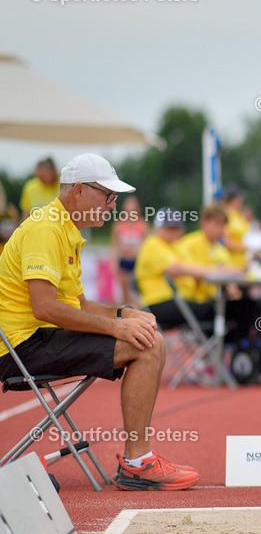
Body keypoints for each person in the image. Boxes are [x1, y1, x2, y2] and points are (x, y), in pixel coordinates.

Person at [0, 153, 198, 490]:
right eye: (107, 195)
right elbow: (45, 308)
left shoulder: (65, 229)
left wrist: (124, 314)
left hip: (38, 338)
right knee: (148, 346)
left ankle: (138, 460)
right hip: (20, 348)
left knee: (147, 335)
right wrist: (117, 327)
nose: (112, 204)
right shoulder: (46, 229)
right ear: (79, 191)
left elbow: (82, 305)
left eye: (114, 197)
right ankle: (137, 463)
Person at [134, 208, 250, 343]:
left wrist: (226, 277)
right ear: (157, 228)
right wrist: (218, 271)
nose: (173, 232)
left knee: (234, 307)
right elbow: (178, 269)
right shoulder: (153, 244)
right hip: (160, 303)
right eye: (168, 228)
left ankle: (222, 349)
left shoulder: (174, 246)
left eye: (176, 228)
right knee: (229, 309)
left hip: (178, 301)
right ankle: (226, 350)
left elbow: (193, 269)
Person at [111, 195, 149, 304]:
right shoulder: (119, 225)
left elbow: (146, 245)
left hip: (136, 261)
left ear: (137, 209)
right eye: (128, 210)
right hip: (124, 260)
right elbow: (115, 245)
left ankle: (137, 311)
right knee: (124, 291)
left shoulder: (143, 225)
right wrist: (113, 261)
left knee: (136, 292)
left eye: (132, 210)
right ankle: (124, 313)